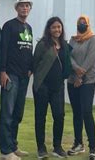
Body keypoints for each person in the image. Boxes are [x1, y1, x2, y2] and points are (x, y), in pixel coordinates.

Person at [0, 0, 34, 160]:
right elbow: (3, 49)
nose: (24, 8)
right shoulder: (9, 26)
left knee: (17, 113)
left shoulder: (29, 29)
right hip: (10, 75)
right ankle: (5, 151)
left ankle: (13, 145)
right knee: (7, 112)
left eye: (27, 6)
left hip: (23, 77)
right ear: (16, 8)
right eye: (22, 5)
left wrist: (30, 69)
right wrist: (2, 71)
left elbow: (28, 51)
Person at [33, 16, 71, 159]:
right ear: (49, 29)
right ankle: (41, 148)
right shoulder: (43, 44)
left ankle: (57, 146)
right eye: (54, 27)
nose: (57, 29)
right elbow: (35, 64)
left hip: (58, 87)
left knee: (59, 116)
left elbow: (67, 64)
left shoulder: (65, 45)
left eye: (59, 27)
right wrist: (39, 84)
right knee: (40, 117)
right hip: (43, 86)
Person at [67, 15, 95, 160]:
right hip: (72, 80)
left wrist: (81, 76)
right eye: (79, 23)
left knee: (87, 112)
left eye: (84, 23)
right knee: (76, 113)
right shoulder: (73, 40)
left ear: (88, 24)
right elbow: (68, 56)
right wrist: (75, 71)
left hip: (87, 81)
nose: (81, 25)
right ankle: (78, 143)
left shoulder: (93, 39)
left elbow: (90, 59)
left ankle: (93, 147)